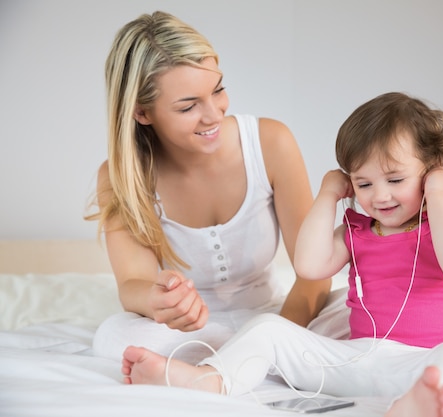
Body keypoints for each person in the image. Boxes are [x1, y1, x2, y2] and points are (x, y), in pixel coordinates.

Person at [121, 92, 443, 417]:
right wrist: (327, 195)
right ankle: (209, 378)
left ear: (432, 172)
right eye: (363, 183)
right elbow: (309, 265)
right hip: (356, 359)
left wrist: (440, 196)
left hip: (423, 363)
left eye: (395, 180)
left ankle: (419, 405)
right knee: (268, 329)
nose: (379, 196)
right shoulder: (356, 232)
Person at [87, 11, 348, 363]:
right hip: (188, 333)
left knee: (355, 308)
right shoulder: (121, 177)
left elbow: (314, 276)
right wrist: (158, 299)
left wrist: (272, 337)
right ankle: (240, 365)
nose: (214, 114)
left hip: (276, 316)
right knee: (114, 336)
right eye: (188, 106)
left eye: (218, 90)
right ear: (142, 113)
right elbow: (133, 283)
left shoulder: (271, 142)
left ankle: (219, 366)